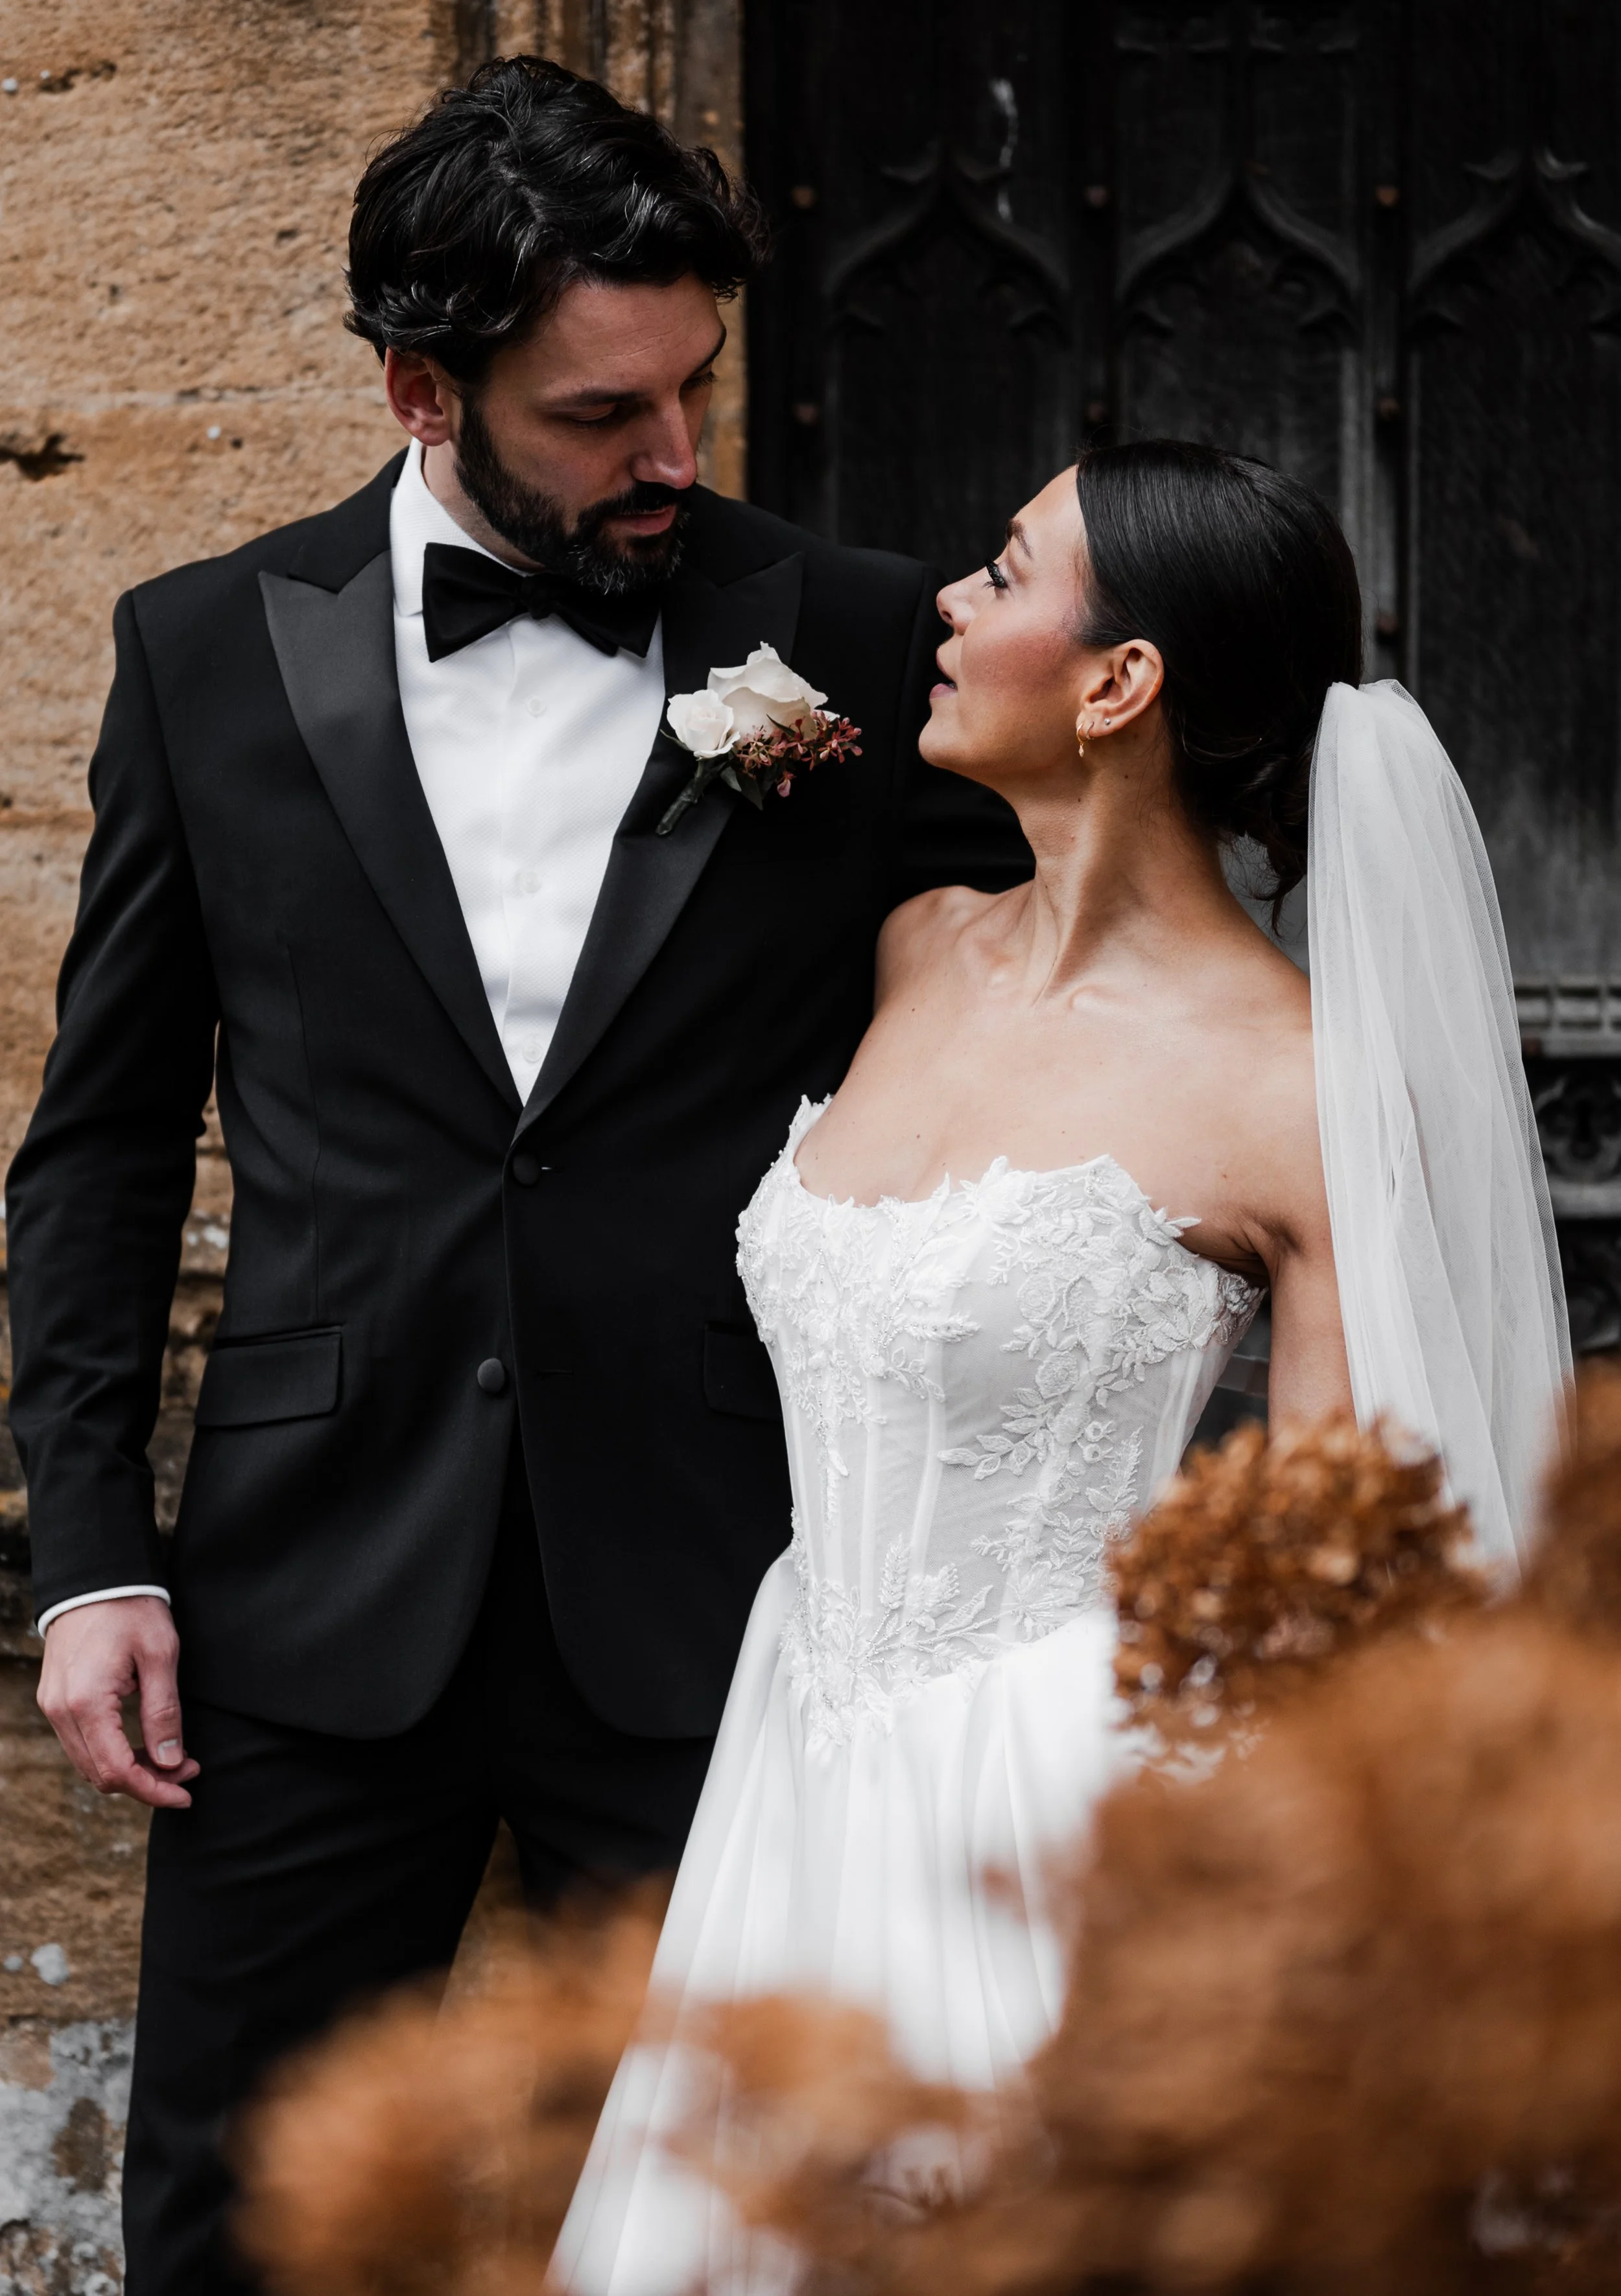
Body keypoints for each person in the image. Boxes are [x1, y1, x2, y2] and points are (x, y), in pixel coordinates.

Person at [2, 58, 1030, 2296]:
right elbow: (92, 1141)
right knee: (235, 2215)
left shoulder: (852, 641)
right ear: (416, 387)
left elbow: (1029, 1021)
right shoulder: (200, 648)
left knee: (717, 2222)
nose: (671, 459)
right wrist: (89, 1555)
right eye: (598, 414)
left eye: (693, 393)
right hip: (296, 1602)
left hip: (725, 1594)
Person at [554, 440, 1572, 2295]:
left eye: (1003, 573)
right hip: (794, 1751)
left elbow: (1357, 1585)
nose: (943, 603)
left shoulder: (1291, 1084)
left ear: (1120, 683)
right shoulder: (901, 949)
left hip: (1060, 1804)